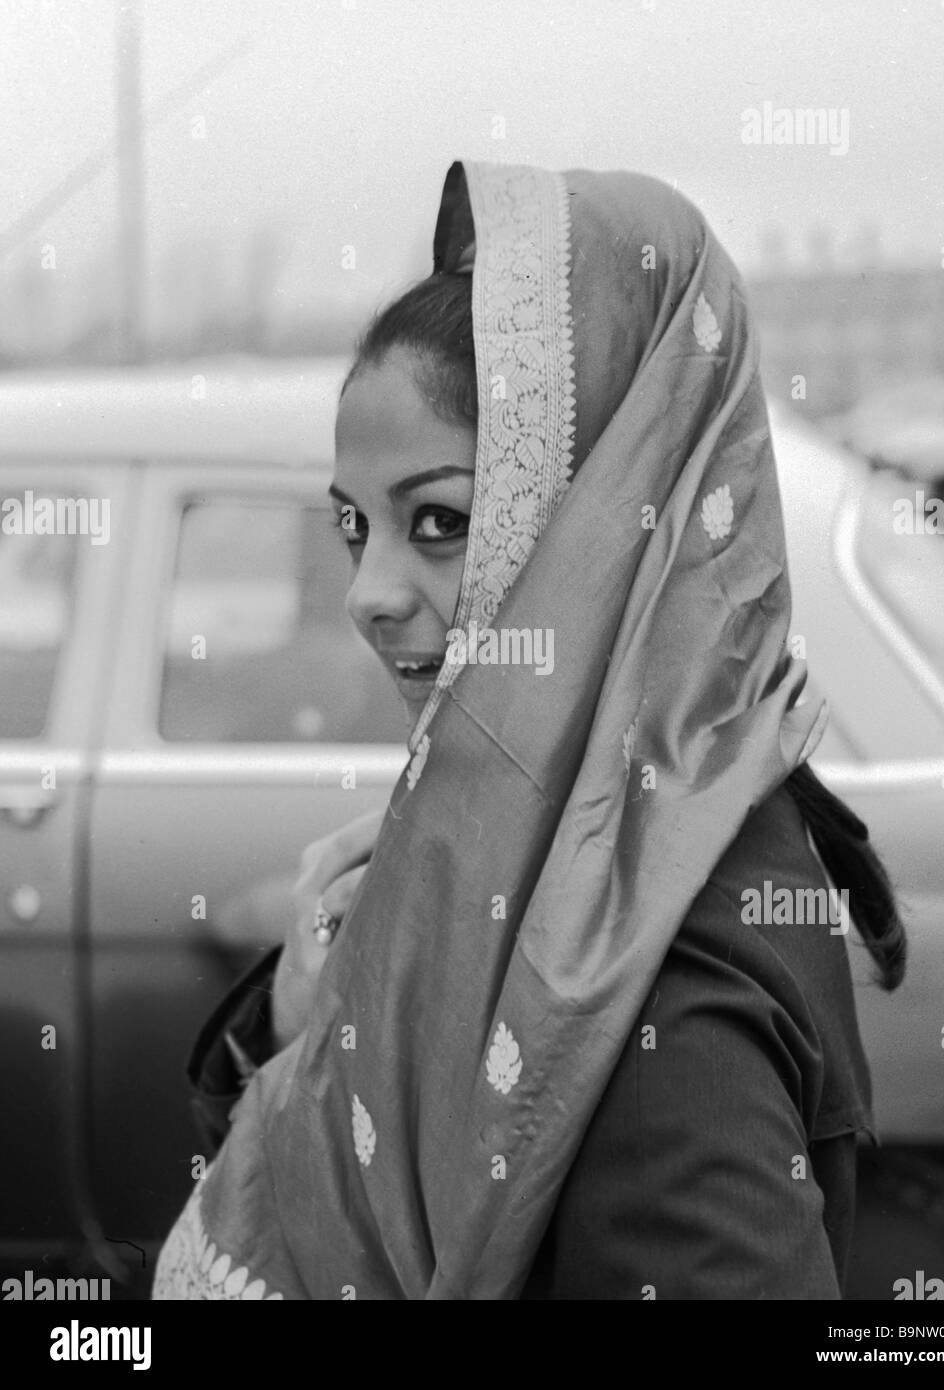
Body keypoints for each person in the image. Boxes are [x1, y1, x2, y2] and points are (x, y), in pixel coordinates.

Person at [152, 159, 905, 1301]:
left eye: (441, 521)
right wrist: (297, 1019)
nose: (368, 591)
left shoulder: (656, 967)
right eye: (354, 527)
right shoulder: (509, 836)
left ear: (595, 527)